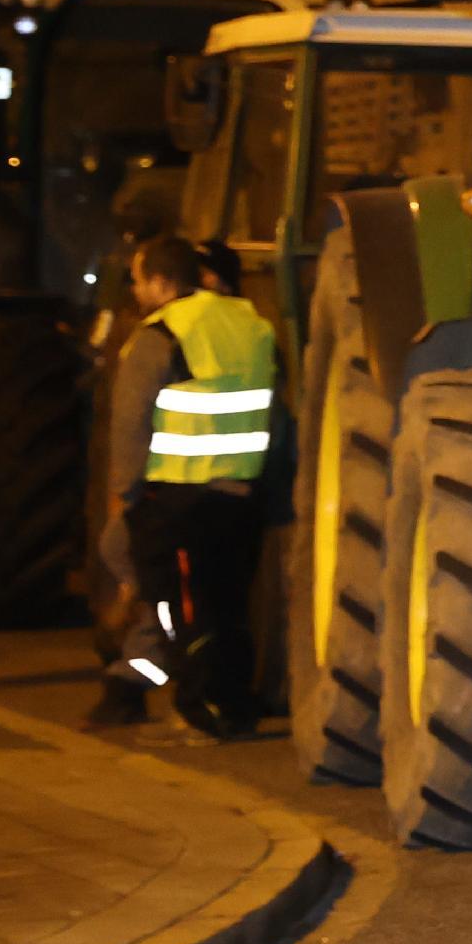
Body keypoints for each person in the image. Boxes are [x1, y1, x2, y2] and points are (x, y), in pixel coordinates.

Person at [107, 236, 281, 737]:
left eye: (139, 282)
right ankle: (236, 703)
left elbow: (131, 422)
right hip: (239, 492)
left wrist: (126, 492)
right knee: (228, 605)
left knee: (174, 609)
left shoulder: (160, 333)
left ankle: (197, 703)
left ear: (163, 283)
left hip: (175, 497)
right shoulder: (251, 325)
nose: (136, 293)